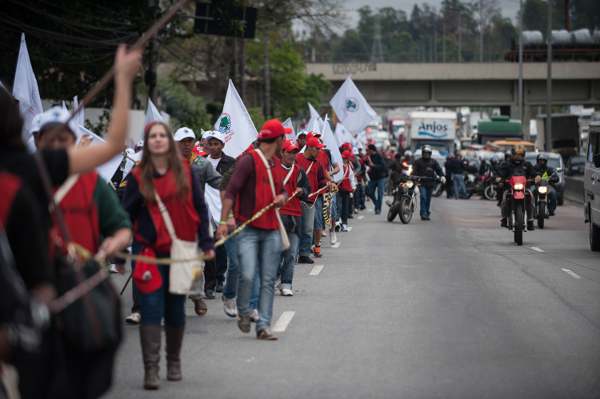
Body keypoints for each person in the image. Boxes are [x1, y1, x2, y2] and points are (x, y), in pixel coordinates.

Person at [0, 45, 141, 399]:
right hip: (29, 310)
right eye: (51, 139)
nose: (61, 147)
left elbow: (111, 151)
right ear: (29, 136)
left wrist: (113, 243)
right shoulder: (30, 169)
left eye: (65, 140)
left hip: (46, 306)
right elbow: (111, 146)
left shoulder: (58, 175)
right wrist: (123, 79)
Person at [122, 121, 215, 390]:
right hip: (148, 251)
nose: (159, 139)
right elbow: (125, 214)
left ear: (168, 142)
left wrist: (206, 243)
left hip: (182, 251)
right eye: (154, 136)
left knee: (175, 309)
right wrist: (119, 250)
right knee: (150, 308)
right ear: (149, 143)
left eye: (163, 135)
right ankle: (150, 369)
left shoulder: (186, 171)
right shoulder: (138, 176)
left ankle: (173, 361)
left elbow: (199, 207)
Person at [217, 119, 289, 341]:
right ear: (278, 140)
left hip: (271, 230)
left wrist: (281, 198)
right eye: (283, 138)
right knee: (247, 274)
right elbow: (230, 192)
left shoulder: (276, 165)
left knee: (267, 280)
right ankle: (245, 310)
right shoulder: (248, 161)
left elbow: (284, 191)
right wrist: (223, 222)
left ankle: (264, 326)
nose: (284, 142)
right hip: (247, 229)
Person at [174, 127, 221, 316]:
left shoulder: (201, 164)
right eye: (182, 141)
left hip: (195, 219)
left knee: (196, 262)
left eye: (189, 141)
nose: (186, 145)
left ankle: (195, 294)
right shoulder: (165, 164)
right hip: (169, 219)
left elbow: (219, 182)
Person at [275, 140, 309, 296]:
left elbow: (307, 191)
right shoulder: (273, 169)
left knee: (291, 252)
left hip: (295, 217)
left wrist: (303, 190)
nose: (292, 155)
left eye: (294, 152)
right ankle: (273, 277)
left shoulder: (299, 171)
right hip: (276, 216)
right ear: (282, 152)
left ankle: (286, 283)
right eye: (289, 152)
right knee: (276, 252)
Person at [203, 131, 235, 297]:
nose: (214, 147)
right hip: (205, 208)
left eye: (217, 144)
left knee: (221, 247)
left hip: (222, 208)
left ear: (222, 145)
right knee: (208, 246)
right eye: (211, 144)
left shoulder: (231, 162)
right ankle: (209, 284)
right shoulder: (200, 162)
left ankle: (220, 278)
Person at [295, 135, 327, 264]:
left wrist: (326, 185)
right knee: (295, 228)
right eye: (317, 149)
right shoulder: (296, 159)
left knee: (308, 228)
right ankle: (292, 253)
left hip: (310, 200)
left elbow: (321, 180)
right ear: (309, 148)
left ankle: (304, 254)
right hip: (295, 199)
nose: (319, 151)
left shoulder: (318, 164)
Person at [498, 148, 536, 230]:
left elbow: (533, 174)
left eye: (520, 155)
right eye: (516, 155)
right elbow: (501, 174)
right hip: (510, 188)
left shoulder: (527, 164)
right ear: (512, 155)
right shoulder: (507, 164)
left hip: (524, 188)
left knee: (531, 197)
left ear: (523, 156)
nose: (518, 157)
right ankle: (504, 218)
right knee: (504, 199)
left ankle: (530, 220)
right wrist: (500, 179)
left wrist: (536, 178)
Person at [413, 145, 444, 221]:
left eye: (427, 153)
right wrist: (415, 177)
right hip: (421, 182)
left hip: (430, 183)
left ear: (430, 153)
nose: (426, 154)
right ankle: (423, 213)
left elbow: (439, 170)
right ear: (422, 153)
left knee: (428, 199)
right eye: (425, 153)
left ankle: (426, 212)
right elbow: (414, 171)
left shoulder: (434, 162)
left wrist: (442, 176)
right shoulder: (418, 161)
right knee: (423, 197)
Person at [365, 144, 387, 214]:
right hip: (372, 178)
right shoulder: (368, 156)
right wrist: (365, 162)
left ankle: (378, 209)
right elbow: (365, 165)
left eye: (368, 150)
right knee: (370, 193)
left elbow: (383, 166)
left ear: (371, 150)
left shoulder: (379, 156)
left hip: (380, 178)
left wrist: (373, 166)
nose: (367, 151)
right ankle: (377, 205)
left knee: (380, 194)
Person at [339, 150, 356, 231]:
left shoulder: (349, 167)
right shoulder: (339, 165)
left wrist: (353, 187)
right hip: (338, 188)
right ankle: (338, 222)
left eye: (345, 158)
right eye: (343, 158)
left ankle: (344, 223)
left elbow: (351, 177)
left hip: (346, 189)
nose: (344, 159)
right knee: (338, 206)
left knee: (345, 207)